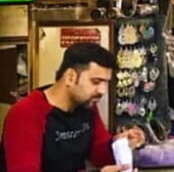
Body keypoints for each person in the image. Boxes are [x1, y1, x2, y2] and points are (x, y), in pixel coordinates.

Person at [0, 43, 145, 172]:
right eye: (96, 81)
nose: (102, 91)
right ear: (70, 77)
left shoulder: (87, 106)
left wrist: (118, 143)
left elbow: (99, 155)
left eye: (105, 83)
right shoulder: (26, 113)